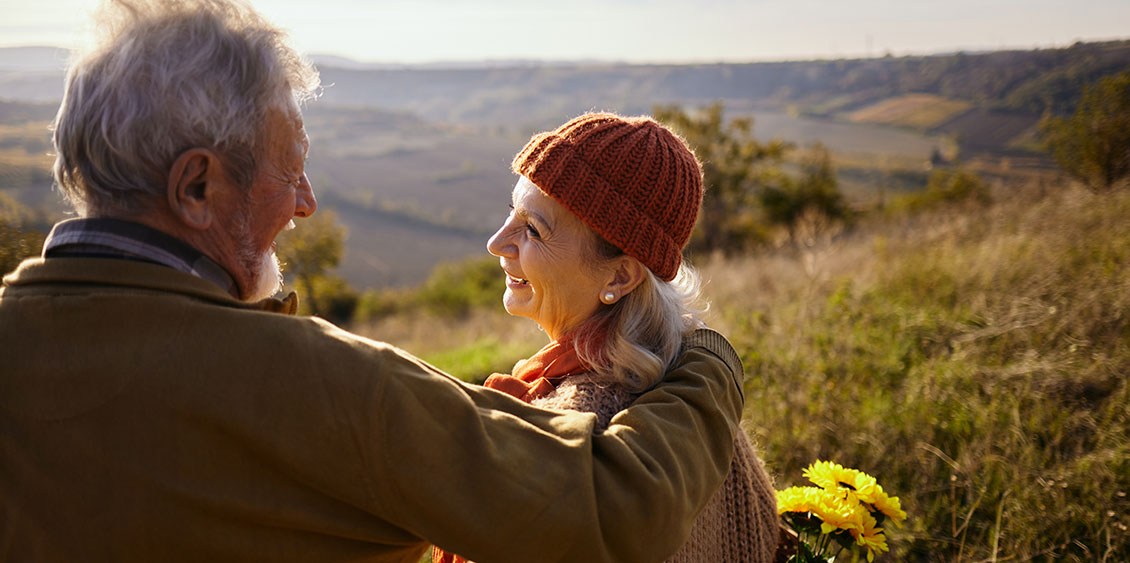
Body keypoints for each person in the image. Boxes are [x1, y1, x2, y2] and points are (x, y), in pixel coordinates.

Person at [0, 1, 748, 562]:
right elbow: (616, 510)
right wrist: (710, 361)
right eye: (289, 168)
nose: (305, 202)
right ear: (197, 187)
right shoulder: (319, 389)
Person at [433, 113, 779, 563]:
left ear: (620, 276)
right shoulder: (680, 370)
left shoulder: (580, 420)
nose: (497, 242)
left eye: (533, 229)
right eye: (511, 212)